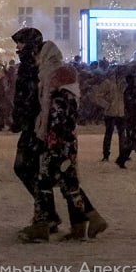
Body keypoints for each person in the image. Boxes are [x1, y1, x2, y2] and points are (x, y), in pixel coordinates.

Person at [18, 56, 109, 242]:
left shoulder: (61, 97)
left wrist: (52, 146)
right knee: (69, 185)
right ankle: (86, 221)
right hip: (64, 147)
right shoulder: (70, 95)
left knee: (46, 184)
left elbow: (58, 124)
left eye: (55, 78)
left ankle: (44, 225)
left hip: (57, 148)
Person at [9, 28, 59, 232]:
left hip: (35, 125)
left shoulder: (33, 67)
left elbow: (32, 98)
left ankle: (46, 215)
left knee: (27, 168)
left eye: (20, 43)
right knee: (35, 170)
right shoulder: (30, 65)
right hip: (33, 124)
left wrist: (23, 117)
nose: (17, 48)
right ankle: (48, 213)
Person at [90, 70, 126, 162]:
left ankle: (122, 153)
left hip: (120, 112)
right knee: (110, 134)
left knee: (121, 135)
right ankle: (106, 154)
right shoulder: (108, 83)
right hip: (111, 113)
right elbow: (97, 96)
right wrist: (107, 105)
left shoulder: (123, 84)